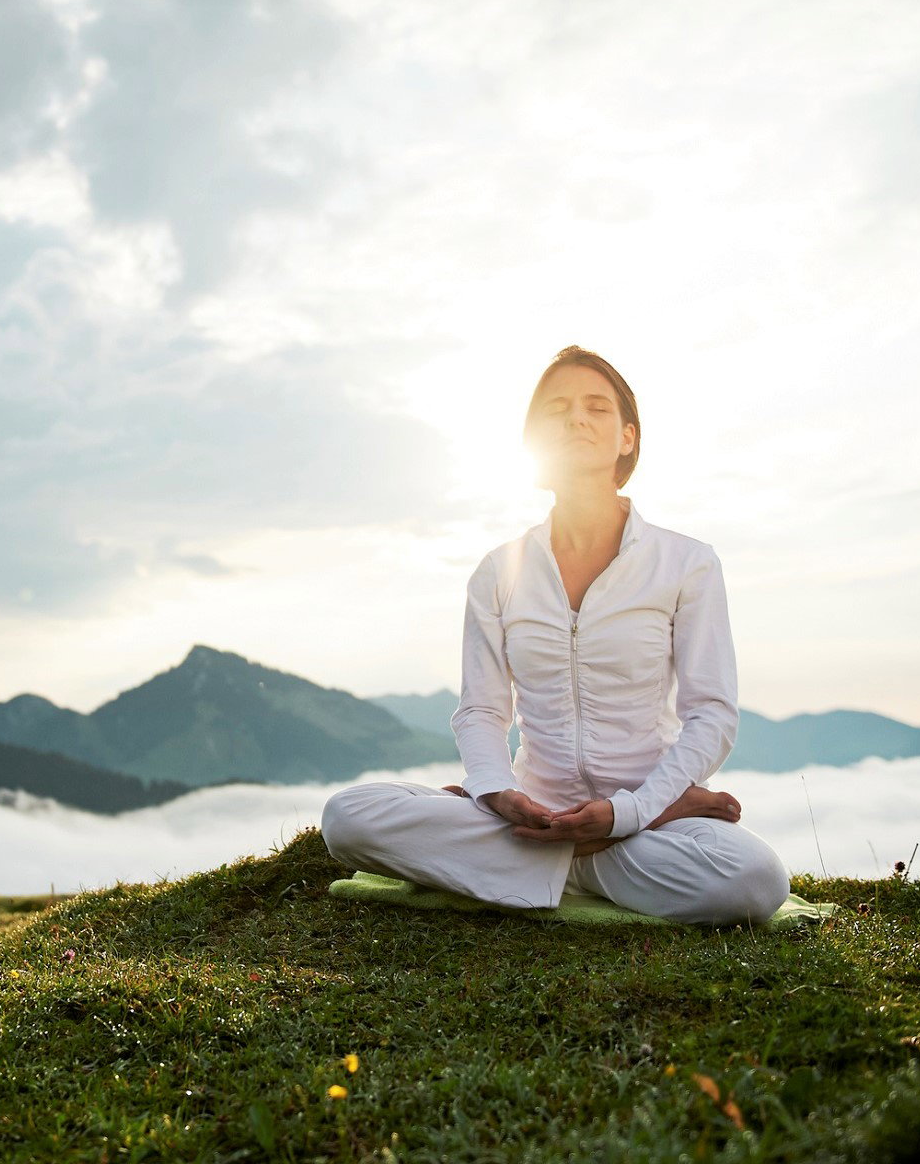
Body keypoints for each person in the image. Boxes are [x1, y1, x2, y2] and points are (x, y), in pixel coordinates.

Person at [321, 345, 790, 925]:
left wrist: (634, 812)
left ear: (627, 437)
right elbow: (480, 711)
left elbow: (712, 714)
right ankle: (578, 859)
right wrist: (494, 791)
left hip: (645, 809)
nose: (576, 419)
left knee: (756, 879)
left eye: (596, 406)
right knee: (347, 817)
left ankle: (529, 866)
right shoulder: (499, 570)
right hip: (530, 814)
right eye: (557, 408)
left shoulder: (686, 563)